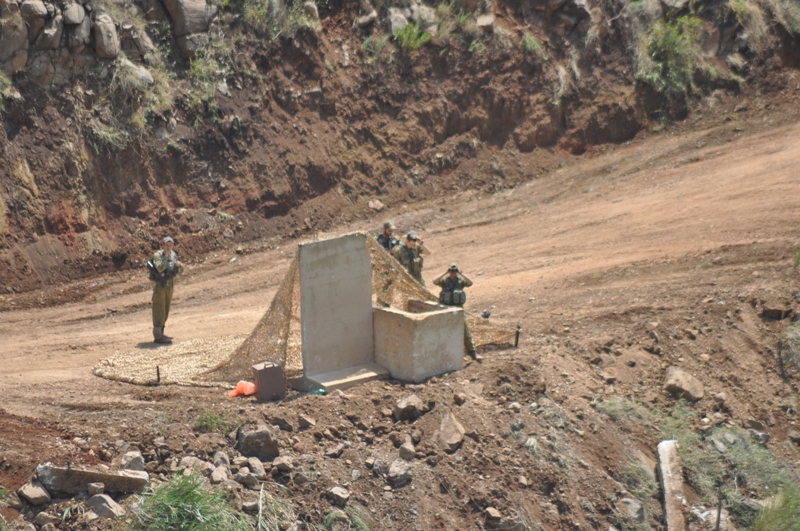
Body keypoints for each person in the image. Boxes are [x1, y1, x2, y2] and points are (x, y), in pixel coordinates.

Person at [433, 263, 478, 359]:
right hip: (446, 309)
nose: (453, 273)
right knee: (446, 330)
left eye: (454, 271)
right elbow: (434, 281)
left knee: (465, 331)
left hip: (458, 309)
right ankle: (447, 352)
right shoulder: (445, 281)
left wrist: (461, 274)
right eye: (451, 271)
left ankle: (472, 352)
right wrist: (445, 272)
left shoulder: (460, 281)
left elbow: (470, 283)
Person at [151, 236, 184, 344]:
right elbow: (160, 268)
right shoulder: (158, 255)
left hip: (170, 286)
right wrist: (165, 257)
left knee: (166, 311)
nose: (169, 247)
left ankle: (161, 333)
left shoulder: (173, 254)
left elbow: (180, 271)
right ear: (163, 245)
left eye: (171, 245)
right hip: (161, 287)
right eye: (167, 245)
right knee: (159, 311)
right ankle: (157, 337)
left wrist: (180, 266)